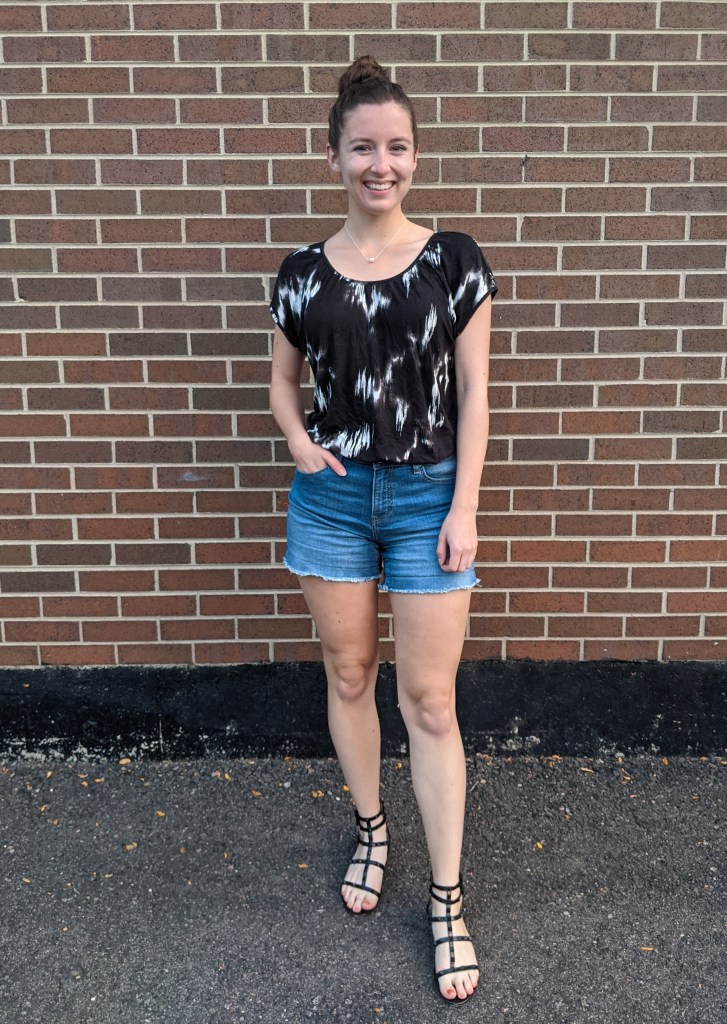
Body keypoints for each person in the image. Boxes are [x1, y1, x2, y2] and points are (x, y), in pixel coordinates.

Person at [269, 55, 496, 1003]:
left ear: (414, 156)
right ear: (333, 156)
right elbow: (283, 381)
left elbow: (479, 392)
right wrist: (298, 442)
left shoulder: (454, 262)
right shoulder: (300, 275)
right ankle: (372, 828)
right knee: (351, 673)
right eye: (363, 146)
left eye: (396, 146)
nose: (381, 163)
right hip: (331, 498)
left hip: (426, 497)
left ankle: (446, 902)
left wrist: (465, 504)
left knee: (432, 703)